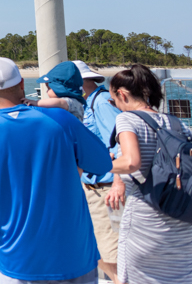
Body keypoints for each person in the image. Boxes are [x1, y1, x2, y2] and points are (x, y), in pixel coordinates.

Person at [0, 57, 112, 284]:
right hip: (75, 255)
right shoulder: (60, 119)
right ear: (22, 83)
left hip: (19, 260)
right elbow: (102, 164)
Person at [105, 64, 192, 284]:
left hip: (147, 223)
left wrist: (104, 165)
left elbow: (132, 162)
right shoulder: (176, 122)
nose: (116, 106)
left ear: (122, 94)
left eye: (114, 101)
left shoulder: (127, 119)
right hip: (183, 224)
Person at [73, 60, 123, 284]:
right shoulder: (90, 102)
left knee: (109, 251)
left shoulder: (101, 103)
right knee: (98, 248)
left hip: (105, 188)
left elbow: (120, 145)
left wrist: (118, 183)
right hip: (94, 186)